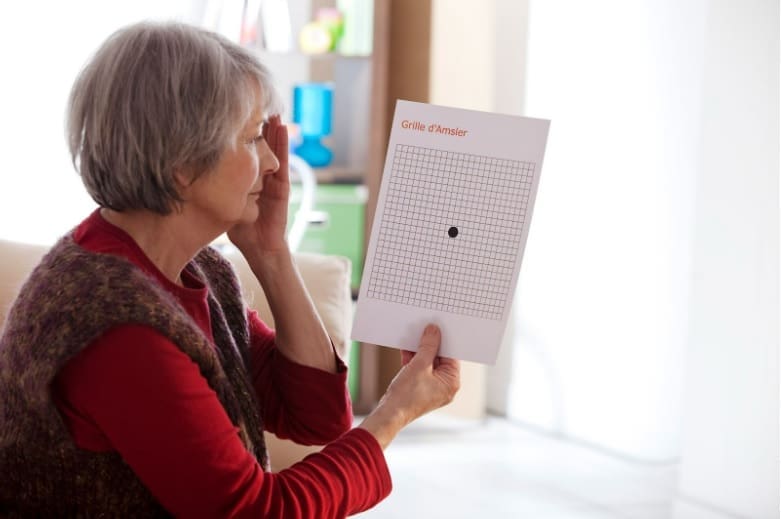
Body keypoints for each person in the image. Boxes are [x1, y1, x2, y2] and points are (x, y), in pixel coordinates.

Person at [0, 21, 459, 517]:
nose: (272, 163)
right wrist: (395, 414)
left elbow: (317, 416)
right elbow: (253, 512)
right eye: (249, 139)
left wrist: (270, 252)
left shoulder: (196, 271)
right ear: (181, 162)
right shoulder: (112, 321)